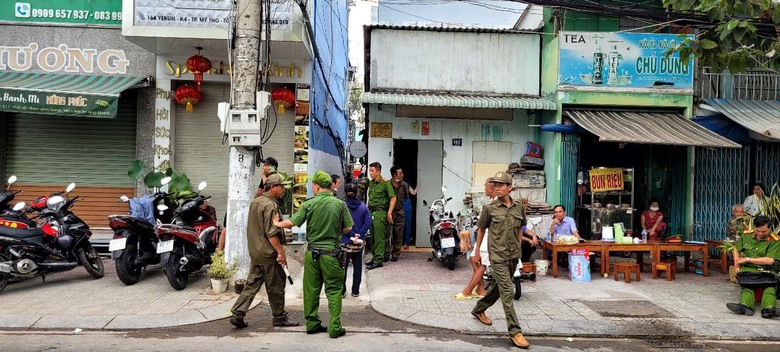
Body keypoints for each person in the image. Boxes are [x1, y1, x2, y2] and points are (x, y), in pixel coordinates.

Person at [274, 170, 353, 338]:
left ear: (316, 187)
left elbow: (292, 223)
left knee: (311, 290)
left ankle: (312, 323)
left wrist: (277, 223)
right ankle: (335, 327)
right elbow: (348, 228)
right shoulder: (340, 204)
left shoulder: (309, 204)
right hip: (332, 255)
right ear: (329, 187)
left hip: (312, 254)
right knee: (333, 290)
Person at [470, 172, 530, 349]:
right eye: (495, 184)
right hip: (497, 255)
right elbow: (481, 230)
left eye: (500, 185)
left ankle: (479, 308)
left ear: (509, 187)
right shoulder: (489, 208)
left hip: (513, 255)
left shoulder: (519, 207)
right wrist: (477, 252)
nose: (496, 187)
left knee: (498, 287)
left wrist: (519, 249)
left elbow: (520, 229)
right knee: (507, 291)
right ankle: (515, 331)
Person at [229, 174, 298, 329]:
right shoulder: (270, 206)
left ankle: (238, 313)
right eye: (281, 186)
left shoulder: (256, 202)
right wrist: (281, 252)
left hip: (256, 251)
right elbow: (271, 233)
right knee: (276, 287)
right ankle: (279, 317)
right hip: (268, 253)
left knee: (252, 284)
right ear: (273, 187)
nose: (284, 190)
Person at [726, 216, 780, 319]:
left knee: (769, 287)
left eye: (764, 231)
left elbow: (770, 260)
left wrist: (747, 259)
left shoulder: (775, 240)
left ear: (770, 228)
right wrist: (737, 264)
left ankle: (768, 310)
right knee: (747, 286)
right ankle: (745, 307)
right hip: (749, 270)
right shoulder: (747, 236)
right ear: (754, 227)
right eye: (757, 231)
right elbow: (736, 249)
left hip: (768, 270)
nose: (760, 234)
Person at [453, 178, 494, 300]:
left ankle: (468, 290)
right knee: (473, 258)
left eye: (485, 187)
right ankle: (480, 289)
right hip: (484, 234)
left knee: (481, 263)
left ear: (491, 188)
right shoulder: (490, 202)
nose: (484, 189)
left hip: (489, 237)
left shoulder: (495, 204)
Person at [365, 162, 396, 270]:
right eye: (370, 171)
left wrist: (389, 213)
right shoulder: (372, 183)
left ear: (378, 171)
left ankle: (379, 260)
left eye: (372, 171)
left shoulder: (385, 183)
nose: (370, 173)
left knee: (379, 238)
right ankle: (375, 257)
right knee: (372, 238)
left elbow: (393, 198)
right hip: (371, 213)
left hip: (380, 213)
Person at [342, 183, 371, 297]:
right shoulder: (363, 207)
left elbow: (341, 223)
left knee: (343, 267)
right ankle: (355, 291)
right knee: (358, 267)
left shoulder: (342, 206)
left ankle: (342, 291)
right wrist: (359, 235)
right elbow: (368, 222)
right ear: (356, 193)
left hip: (345, 242)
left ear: (345, 193)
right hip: (358, 243)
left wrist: (351, 235)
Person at [385, 166, 407, 262]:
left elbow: (405, 198)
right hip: (388, 213)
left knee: (398, 235)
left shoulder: (404, 185)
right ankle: (385, 254)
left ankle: (395, 255)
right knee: (386, 235)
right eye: (400, 173)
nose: (402, 175)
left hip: (399, 213)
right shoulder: (387, 185)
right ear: (395, 175)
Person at [402, 180, 417, 250]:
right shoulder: (406, 184)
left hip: (405, 205)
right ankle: (405, 242)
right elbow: (413, 193)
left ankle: (406, 242)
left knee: (406, 225)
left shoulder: (406, 184)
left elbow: (413, 193)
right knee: (403, 225)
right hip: (402, 205)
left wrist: (419, 184)